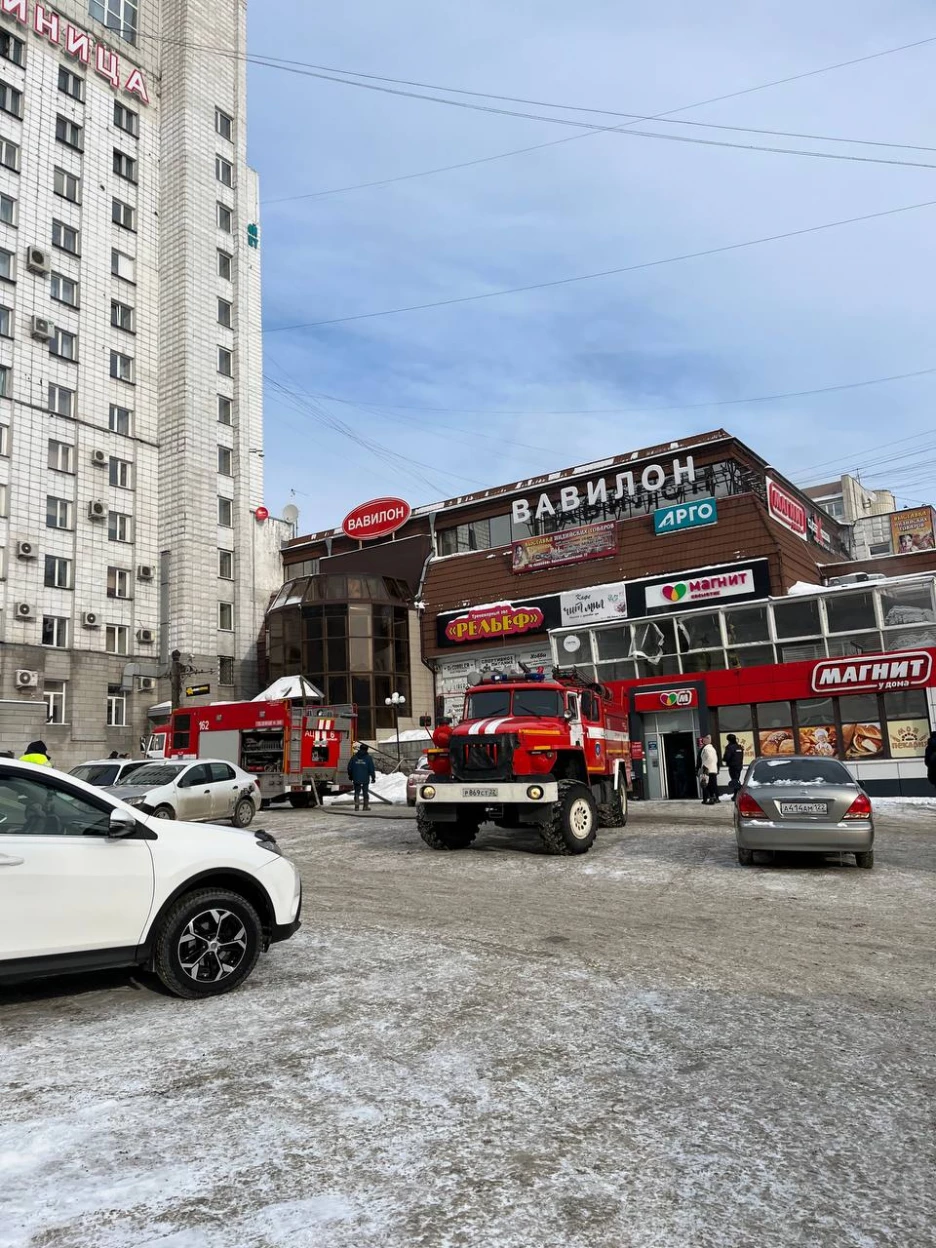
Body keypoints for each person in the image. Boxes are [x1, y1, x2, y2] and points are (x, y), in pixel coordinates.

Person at [347, 742, 377, 811]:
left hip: (356, 778)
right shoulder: (368, 758)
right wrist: (373, 777)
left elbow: (349, 768)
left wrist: (350, 776)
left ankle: (357, 806)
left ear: (360, 749)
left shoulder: (354, 757)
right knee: (365, 792)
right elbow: (371, 769)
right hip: (365, 778)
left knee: (357, 792)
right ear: (366, 750)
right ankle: (365, 806)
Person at [722, 734, 745, 800]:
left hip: (732, 766)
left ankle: (736, 795)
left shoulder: (730, 747)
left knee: (734, 780)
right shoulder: (739, 747)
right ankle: (737, 794)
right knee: (737, 779)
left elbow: (727, 757)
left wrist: (724, 759)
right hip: (739, 766)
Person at [698, 735, 719, 805]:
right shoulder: (712, 748)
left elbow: (709, 758)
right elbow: (715, 759)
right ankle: (713, 798)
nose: (703, 740)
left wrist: (704, 766)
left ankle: (710, 798)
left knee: (705, 784)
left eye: (705, 739)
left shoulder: (706, 749)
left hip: (707, 769)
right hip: (713, 769)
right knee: (712, 785)